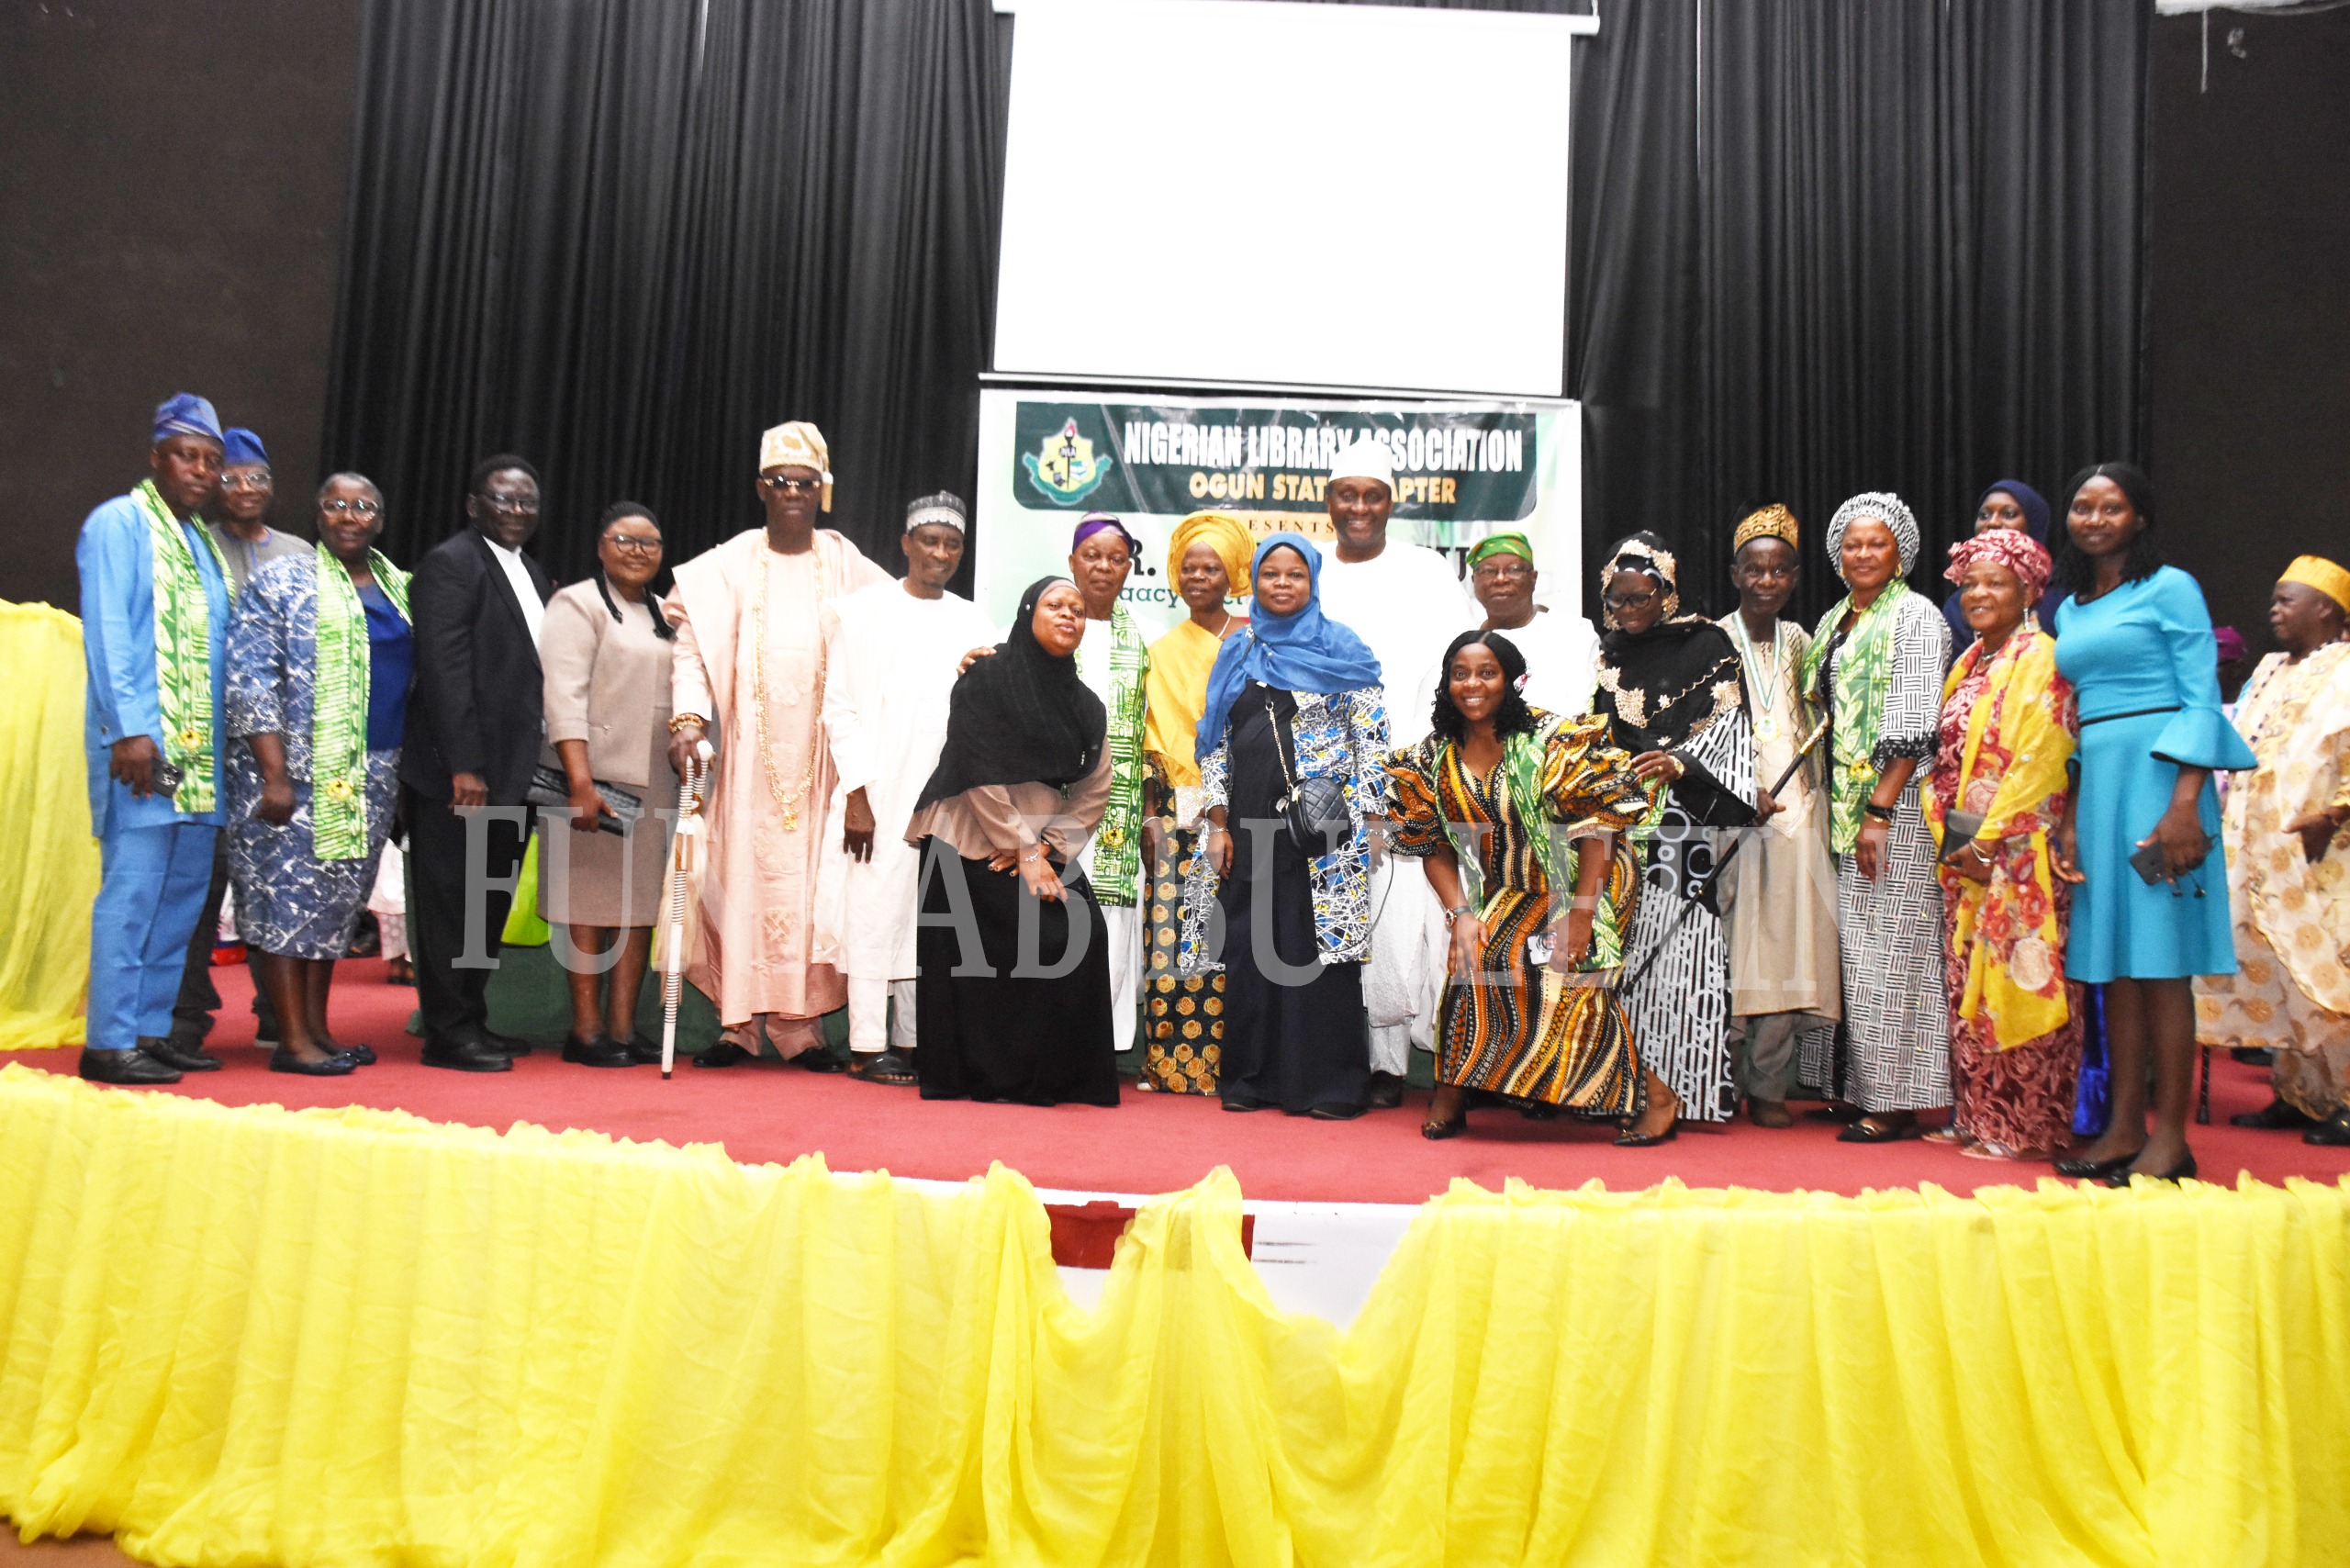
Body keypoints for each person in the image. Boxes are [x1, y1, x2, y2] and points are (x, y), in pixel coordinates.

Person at [2049, 463, 2255, 1184]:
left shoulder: (2170, 588)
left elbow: (2201, 700)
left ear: (2139, 517)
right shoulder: (2070, 608)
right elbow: (2071, 720)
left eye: (2111, 507)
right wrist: (2071, 817)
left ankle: (2171, 1138)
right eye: (2082, 506)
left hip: (2162, 779)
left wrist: (2183, 807)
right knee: (2115, 968)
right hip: (2099, 785)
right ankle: (2121, 1129)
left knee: (2162, 967)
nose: (2094, 518)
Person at [1387, 631, 1677, 1142]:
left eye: (1486, 673)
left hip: (1587, 880)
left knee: (1558, 976)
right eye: (1460, 674)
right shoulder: (1433, 755)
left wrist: (1583, 915)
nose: (1472, 684)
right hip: (1510, 886)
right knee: (1472, 964)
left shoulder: (1553, 742)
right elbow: (1431, 844)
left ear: (1511, 680)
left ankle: (1656, 1096)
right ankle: (1451, 1093)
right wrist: (1461, 914)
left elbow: (1599, 828)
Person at [667, 420, 886, 1069]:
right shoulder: (728, 563)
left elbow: (902, 620)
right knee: (740, 884)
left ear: (823, 491)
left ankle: (799, 1028)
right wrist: (686, 721)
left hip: (820, 768)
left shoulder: (847, 562)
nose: (793, 491)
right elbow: (691, 650)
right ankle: (739, 1025)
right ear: (761, 488)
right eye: (780, 481)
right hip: (744, 766)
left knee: (810, 889)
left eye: (806, 482)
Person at [1183, 533, 1390, 1119]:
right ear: (1255, 580)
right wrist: (1217, 823)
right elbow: (1215, 743)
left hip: (1327, 830)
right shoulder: (1238, 651)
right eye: (1270, 573)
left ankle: (1327, 1085)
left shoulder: (1342, 648)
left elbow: (1370, 743)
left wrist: (1373, 818)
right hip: (1249, 828)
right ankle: (1252, 1079)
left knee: (1319, 952)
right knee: (1251, 951)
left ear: (1313, 581)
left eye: (1294, 574)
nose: (1281, 584)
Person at [905, 577, 1119, 1106]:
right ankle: (979, 1077)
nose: (1069, 615)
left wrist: (1046, 848)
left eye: (1077, 609)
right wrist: (1021, 850)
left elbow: (1097, 787)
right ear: (1028, 613)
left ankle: (1051, 1077)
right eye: (1055, 605)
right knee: (977, 954)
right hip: (969, 828)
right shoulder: (986, 676)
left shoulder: (1086, 704)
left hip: (1041, 837)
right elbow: (977, 765)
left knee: (1078, 931)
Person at [224, 474, 411, 1075]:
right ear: (319, 513)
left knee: (333, 908)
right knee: (287, 905)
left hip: (371, 774)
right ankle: (290, 1040)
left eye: (364, 505)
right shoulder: (279, 582)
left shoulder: (399, 587)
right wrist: (273, 774)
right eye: (336, 504)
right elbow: (250, 680)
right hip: (292, 777)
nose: (350, 515)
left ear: (380, 519)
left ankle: (318, 1030)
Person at [74, 394, 235, 1084]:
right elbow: (109, 630)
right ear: (156, 457)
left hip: (198, 766)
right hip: (147, 753)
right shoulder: (119, 523)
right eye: (187, 455)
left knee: (178, 899)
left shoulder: (200, 542)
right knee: (134, 891)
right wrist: (130, 732)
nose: (200, 471)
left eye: (211, 460)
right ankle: (107, 1042)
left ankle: (150, 1029)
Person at [820, 491, 996, 1084]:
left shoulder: (974, 621)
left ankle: (915, 1042)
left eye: (951, 545)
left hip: (945, 795)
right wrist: (857, 794)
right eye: (929, 541)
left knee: (926, 917)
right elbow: (838, 708)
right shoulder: (863, 611)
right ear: (906, 545)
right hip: (878, 789)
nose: (939, 554)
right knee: (875, 910)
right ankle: (867, 1046)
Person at [1800, 493, 1953, 1142]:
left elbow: (1915, 723)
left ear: (1901, 554)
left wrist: (1881, 811)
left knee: (1895, 954)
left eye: (1878, 543)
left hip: (1896, 813)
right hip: (1846, 812)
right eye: (1853, 544)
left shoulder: (1915, 617)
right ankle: (1857, 1086)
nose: (1864, 553)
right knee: (1856, 954)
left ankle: (1896, 1103)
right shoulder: (1839, 618)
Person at [1926, 529, 2084, 1159]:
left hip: (2018, 857)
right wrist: (1951, 834)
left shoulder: (2041, 657)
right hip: (1966, 854)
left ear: (2028, 591)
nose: (1977, 593)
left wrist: (1989, 844)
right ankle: (1979, 1114)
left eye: (1995, 582)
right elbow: (1944, 760)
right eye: (1970, 583)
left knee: (2021, 978)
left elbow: (2042, 760)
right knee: (1969, 984)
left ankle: (2027, 1127)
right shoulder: (1969, 662)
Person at [1592, 532, 1754, 1133]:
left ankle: (1677, 1091)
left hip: (1681, 822)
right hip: (1619, 820)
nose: (1630, 612)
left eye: (1641, 598)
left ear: (1666, 590)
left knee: (1676, 956)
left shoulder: (1706, 642)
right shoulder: (1610, 653)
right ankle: (1631, 1084)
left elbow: (1736, 731)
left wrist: (1682, 762)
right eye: (1619, 600)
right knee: (1624, 956)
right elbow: (1604, 729)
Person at [1311, 435, 1456, 1104]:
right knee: (1330, 909)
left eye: (1373, 496)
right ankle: (1332, 1049)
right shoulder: (1309, 570)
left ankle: (1388, 1064)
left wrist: (1425, 762)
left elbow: (1459, 665)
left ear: (1390, 503)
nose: (1360, 508)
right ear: (1329, 500)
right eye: (1348, 495)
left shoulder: (1427, 571)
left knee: (1398, 915)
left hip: (1405, 765)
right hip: (1322, 770)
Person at [400, 454, 554, 1072]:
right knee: (451, 905)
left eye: (526, 502)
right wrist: (463, 765)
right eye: (502, 500)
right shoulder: (450, 564)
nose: (516, 511)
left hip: (512, 777)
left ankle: (470, 1017)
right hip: (461, 777)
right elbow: (444, 672)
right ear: (473, 506)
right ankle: (448, 1033)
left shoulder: (533, 573)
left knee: (485, 904)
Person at [2198, 556, 2350, 1146]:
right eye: (2275, 599)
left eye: (2288, 600)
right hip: (2257, 849)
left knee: (2329, 974)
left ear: (2327, 610)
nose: (2274, 609)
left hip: (2324, 851)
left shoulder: (2344, 668)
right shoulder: (2266, 671)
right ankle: (2301, 1096)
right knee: (2279, 977)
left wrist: (2336, 811)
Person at [167, 425, 297, 1058]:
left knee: (275, 883)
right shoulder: (194, 548)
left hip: (280, 755)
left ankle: (280, 1011)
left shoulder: (301, 554)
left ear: (273, 487)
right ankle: (187, 1017)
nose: (245, 488)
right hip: (208, 752)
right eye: (232, 477)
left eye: (257, 478)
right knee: (199, 886)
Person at [535, 503, 678, 1068]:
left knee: (639, 906)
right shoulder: (577, 603)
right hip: (593, 782)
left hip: (655, 787)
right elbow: (562, 694)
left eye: (650, 542)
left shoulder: (668, 613)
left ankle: (622, 1029)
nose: (639, 551)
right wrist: (579, 780)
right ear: (600, 546)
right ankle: (586, 1030)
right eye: (625, 540)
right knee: (587, 904)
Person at [1715, 506, 1840, 1127]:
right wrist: (1739, 789)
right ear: (1735, 573)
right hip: (1731, 820)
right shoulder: (1710, 641)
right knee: (1732, 951)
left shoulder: (1805, 643)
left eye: (1780, 570)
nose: (1767, 580)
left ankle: (1768, 1085)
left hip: (1798, 817)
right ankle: (1713, 1078)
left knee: (1788, 954)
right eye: (1755, 569)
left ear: (1794, 577)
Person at [1137, 510, 1255, 1093]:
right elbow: (1150, 742)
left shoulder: (1258, 643)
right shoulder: (1160, 651)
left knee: (1238, 943)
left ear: (1233, 572)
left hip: (1248, 816)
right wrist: (1149, 817)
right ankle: (1176, 1069)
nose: (1199, 576)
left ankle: (1241, 1066)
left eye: (1212, 567)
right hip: (1178, 818)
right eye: (1190, 567)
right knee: (1174, 943)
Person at [1064, 514, 1151, 1058]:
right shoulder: (1045, 622)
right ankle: (1055, 1038)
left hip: (1118, 805)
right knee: (1057, 911)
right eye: (1092, 556)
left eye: (1116, 558)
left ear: (1128, 568)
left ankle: (1105, 1042)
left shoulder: (1140, 637)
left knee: (1112, 914)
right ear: (1072, 560)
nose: (1103, 567)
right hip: (1056, 800)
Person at [1463, 532, 1600, 715]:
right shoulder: (1464, 642)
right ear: (1474, 581)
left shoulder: (1573, 633)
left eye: (1513, 569)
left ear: (1533, 578)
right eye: (1489, 570)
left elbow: (1579, 709)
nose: (1501, 579)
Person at [1939, 481, 2062, 650]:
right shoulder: (1960, 603)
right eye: (1984, 515)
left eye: (2008, 514)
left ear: (2034, 523)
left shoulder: (2063, 596)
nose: (1993, 523)